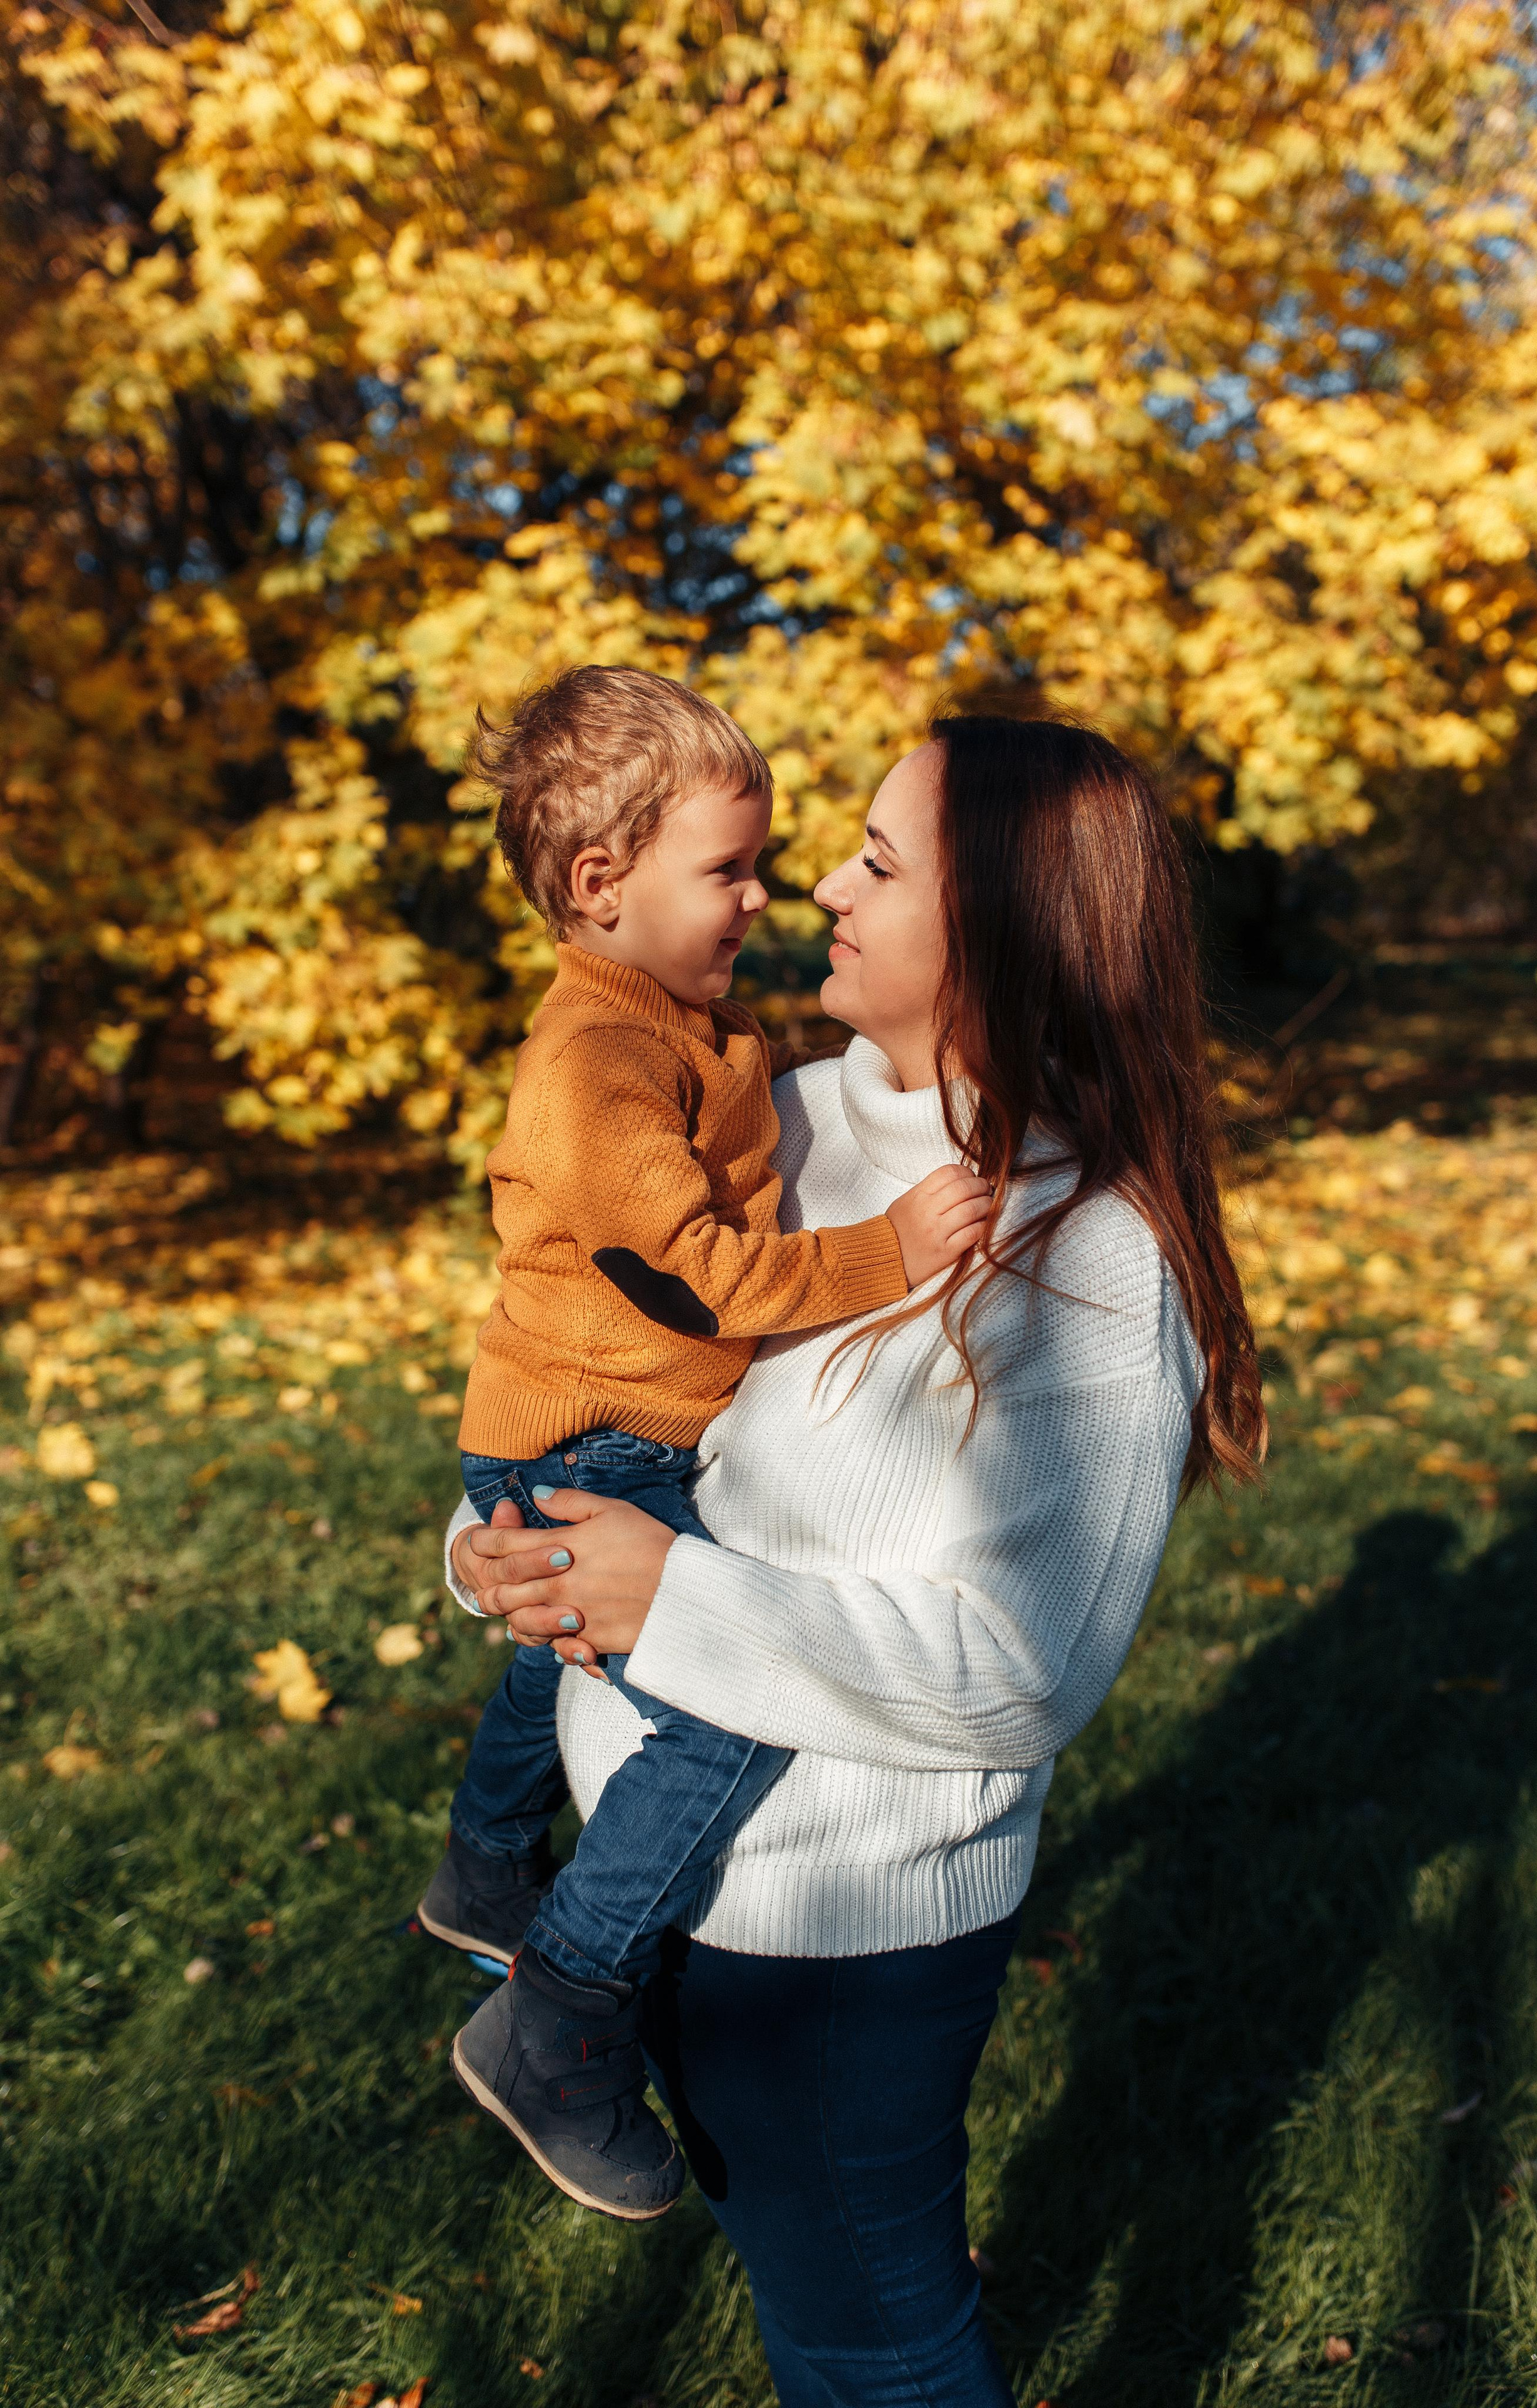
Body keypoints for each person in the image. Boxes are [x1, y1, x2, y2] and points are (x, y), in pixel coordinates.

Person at [443, 706, 1265, 2405]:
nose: (820, 884)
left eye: (877, 865)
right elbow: (587, 1370)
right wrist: (495, 1555)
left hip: (829, 1943)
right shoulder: (782, 1121)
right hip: (651, 1871)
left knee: (870, 2348)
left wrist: (668, 1598)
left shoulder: (1091, 1264)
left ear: (1006, 936)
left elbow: (1021, 1673)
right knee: (821, 2298)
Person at [416, 664, 990, 2220]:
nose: (762, 898)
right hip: (588, 1439)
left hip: (595, 1432)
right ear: (600, 884)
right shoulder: (600, 1064)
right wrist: (888, 1253)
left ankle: (484, 1857)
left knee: (557, 1646)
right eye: (727, 870)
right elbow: (699, 1277)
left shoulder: (687, 1025)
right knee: (725, 1715)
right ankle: (562, 2004)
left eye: (763, 862)